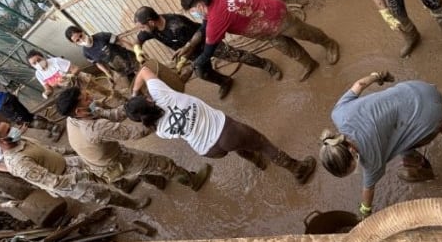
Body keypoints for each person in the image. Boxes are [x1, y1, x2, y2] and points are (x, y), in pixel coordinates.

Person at [318, 72, 442, 218]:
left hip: (430, 117)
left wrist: (365, 212)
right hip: (419, 89)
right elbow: (359, 85)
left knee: (405, 145)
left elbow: (369, 189)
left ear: (352, 151)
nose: (356, 169)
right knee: (405, 129)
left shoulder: (371, 161)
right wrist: (377, 76)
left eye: (351, 168)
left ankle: (424, 171)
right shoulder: (338, 112)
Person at [125, 66, 316, 184]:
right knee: (262, 144)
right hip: (226, 132)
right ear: (148, 100)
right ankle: (299, 170)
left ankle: (259, 163)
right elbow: (143, 71)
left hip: (207, 150)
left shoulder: (159, 131)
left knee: (236, 146)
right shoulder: (161, 94)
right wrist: (134, 93)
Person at [55, 86, 212, 192]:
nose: (92, 97)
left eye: (88, 94)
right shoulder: (96, 128)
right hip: (113, 162)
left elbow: (110, 115)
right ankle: (194, 181)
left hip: (98, 160)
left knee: (140, 166)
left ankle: (159, 182)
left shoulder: (74, 118)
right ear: (79, 111)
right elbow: (135, 133)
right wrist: (155, 119)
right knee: (162, 163)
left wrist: (128, 106)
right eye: (87, 98)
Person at [180, 0, 339, 82]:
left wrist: (192, 67)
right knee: (286, 48)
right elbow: (205, 23)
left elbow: (208, 51)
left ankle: (329, 43)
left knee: (305, 33)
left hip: (275, 15)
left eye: (192, 10)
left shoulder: (218, 16)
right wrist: (190, 45)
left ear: (200, 5)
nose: (192, 13)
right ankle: (309, 63)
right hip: (262, 28)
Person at [0, 121, 150, 210]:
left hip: (67, 163)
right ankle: (133, 205)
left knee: (103, 169)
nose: (14, 130)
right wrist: (84, 175)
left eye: (10, 126)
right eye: (8, 130)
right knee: (102, 194)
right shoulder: (18, 163)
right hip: (67, 182)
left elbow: (49, 149)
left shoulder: (20, 140)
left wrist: (74, 150)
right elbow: (54, 182)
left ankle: (125, 185)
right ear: (0, 141)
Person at [133, 6, 282, 99]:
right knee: (203, 74)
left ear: (151, 22)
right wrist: (138, 51)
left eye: (142, 27)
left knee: (237, 56)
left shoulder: (176, 25)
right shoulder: (151, 29)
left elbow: (194, 41)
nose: (142, 30)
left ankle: (267, 65)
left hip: (207, 41)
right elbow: (138, 41)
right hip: (190, 51)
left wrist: (184, 63)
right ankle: (225, 81)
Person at [65, 26, 140, 84]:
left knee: (144, 75)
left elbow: (122, 42)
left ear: (83, 31)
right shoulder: (86, 53)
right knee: (134, 84)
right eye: (77, 40)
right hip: (121, 69)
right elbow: (98, 64)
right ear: (74, 43)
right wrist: (108, 74)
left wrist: (137, 51)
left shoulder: (101, 36)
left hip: (132, 60)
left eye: (80, 36)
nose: (81, 40)